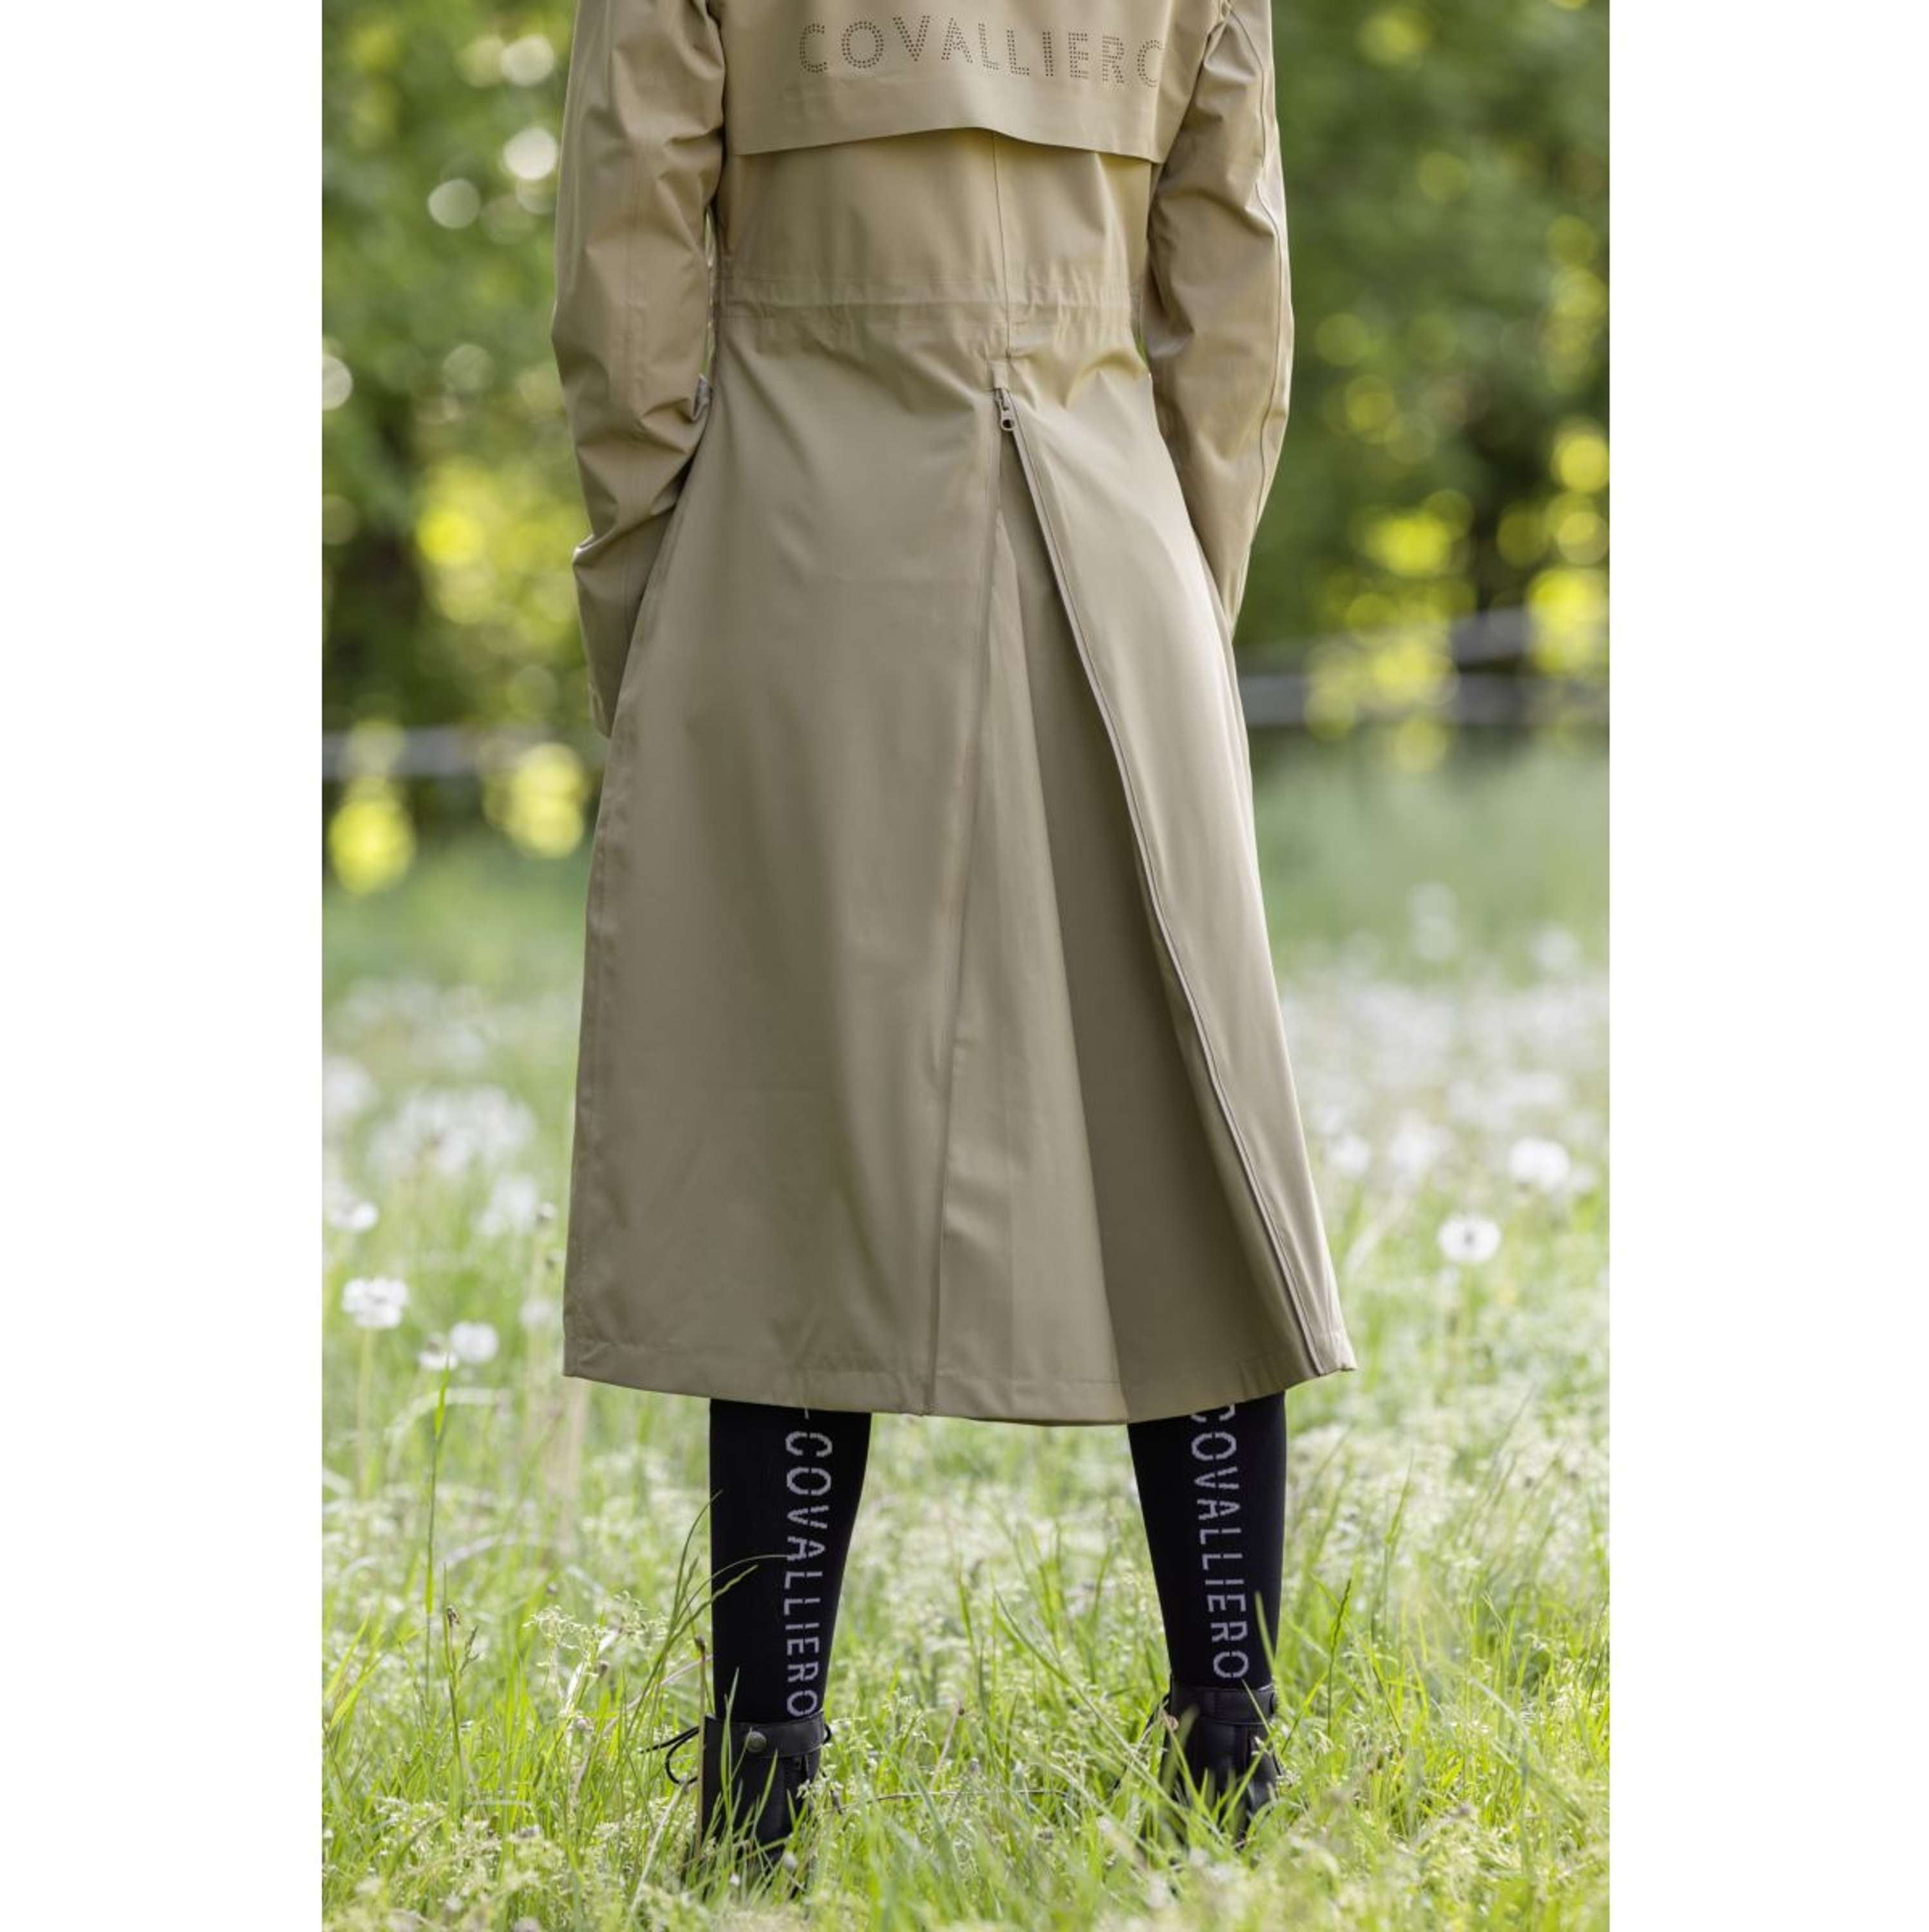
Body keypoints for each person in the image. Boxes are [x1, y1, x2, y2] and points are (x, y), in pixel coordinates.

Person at [550, 0, 1355, 1866]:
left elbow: (626, 282)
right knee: (1188, 1130)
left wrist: (656, 593)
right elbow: (1230, 306)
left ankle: (761, 1778)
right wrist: (1173, 590)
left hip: (789, 530)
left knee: (785, 1142)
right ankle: (1230, 1742)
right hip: (1112, 510)